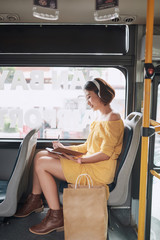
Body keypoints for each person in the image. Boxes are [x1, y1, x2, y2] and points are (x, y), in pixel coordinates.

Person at [15, 78, 124, 235]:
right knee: (41, 155)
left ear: (100, 95)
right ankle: (35, 200)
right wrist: (65, 150)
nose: (87, 102)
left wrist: (81, 160)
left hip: (98, 171)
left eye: (89, 97)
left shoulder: (112, 118)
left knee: (42, 165)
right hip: (90, 163)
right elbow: (88, 147)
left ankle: (55, 216)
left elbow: (105, 154)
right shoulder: (100, 117)